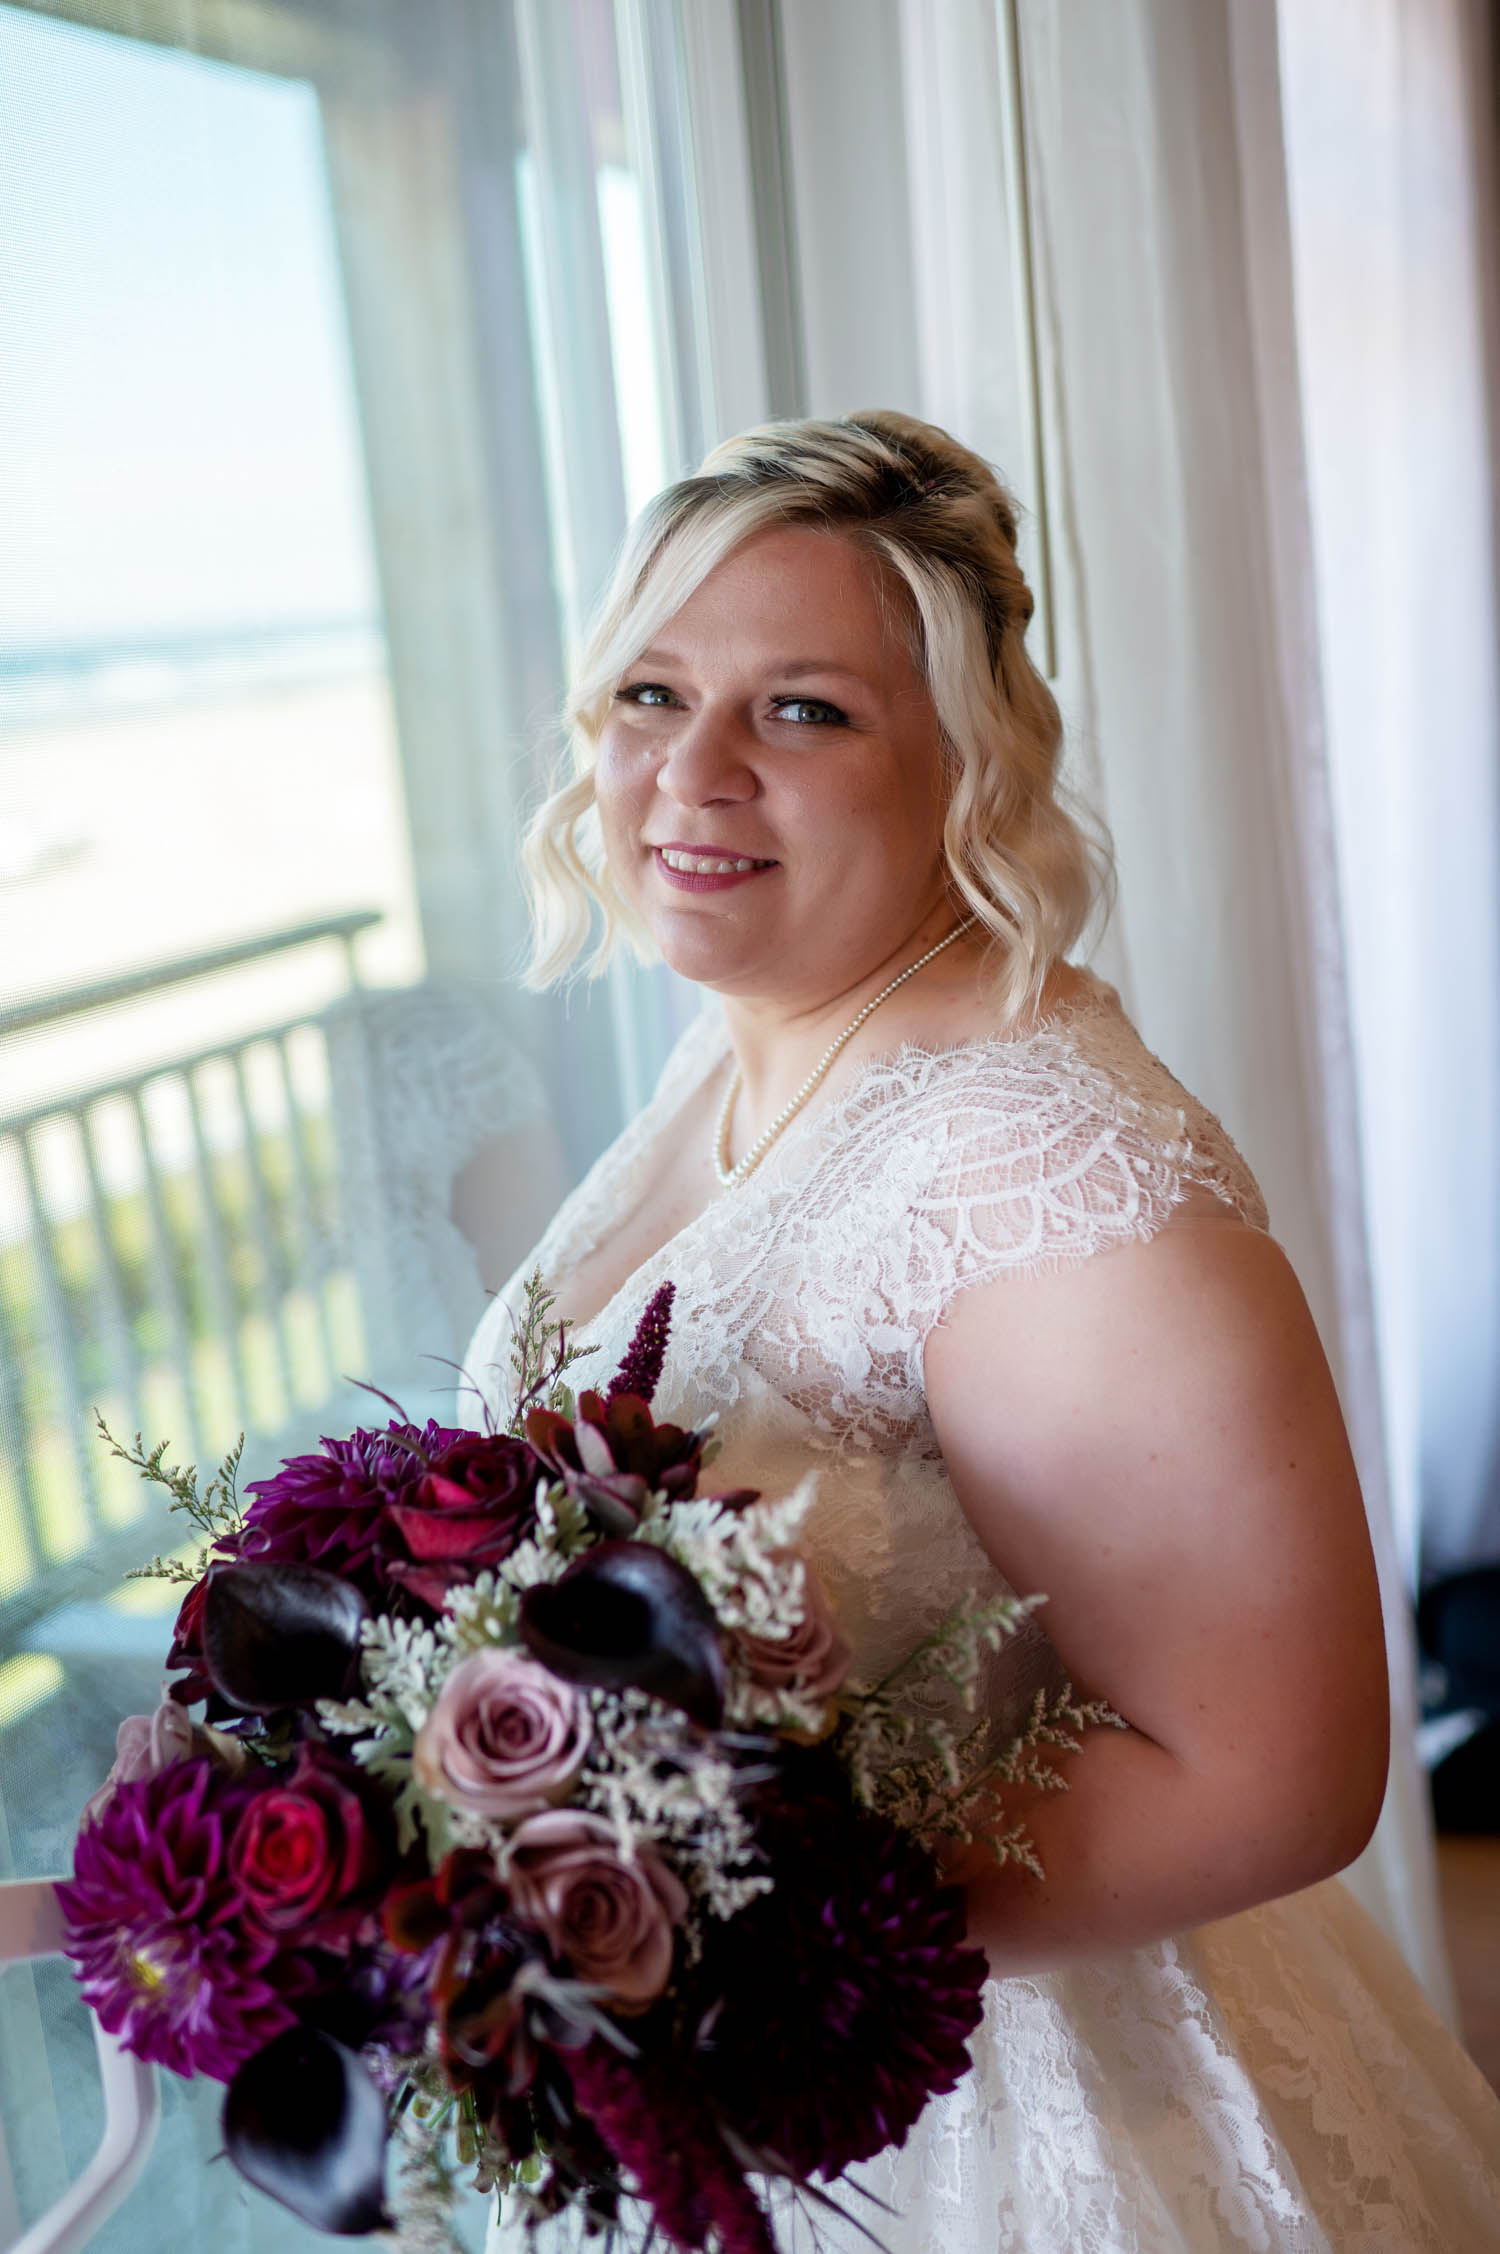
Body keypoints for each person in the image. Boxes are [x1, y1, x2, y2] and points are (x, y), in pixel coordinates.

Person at [465, 411, 1500, 2250]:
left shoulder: (1031, 1157)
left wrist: (687, 1923)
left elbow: (1278, 1769)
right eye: (649, 691)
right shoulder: (754, 1034)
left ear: (963, 760)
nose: (690, 770)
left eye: (804, 708)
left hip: (1000, 2114)